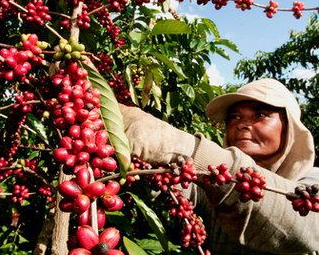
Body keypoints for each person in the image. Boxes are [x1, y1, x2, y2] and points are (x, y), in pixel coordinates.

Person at [119, 78, 319, 254]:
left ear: (290, 128)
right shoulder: (213, 185)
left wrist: (178, 146)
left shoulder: (313, 183)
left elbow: (299, 224)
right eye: (234, 117)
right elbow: (174, 189)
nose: (242, 124)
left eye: (260, 115)